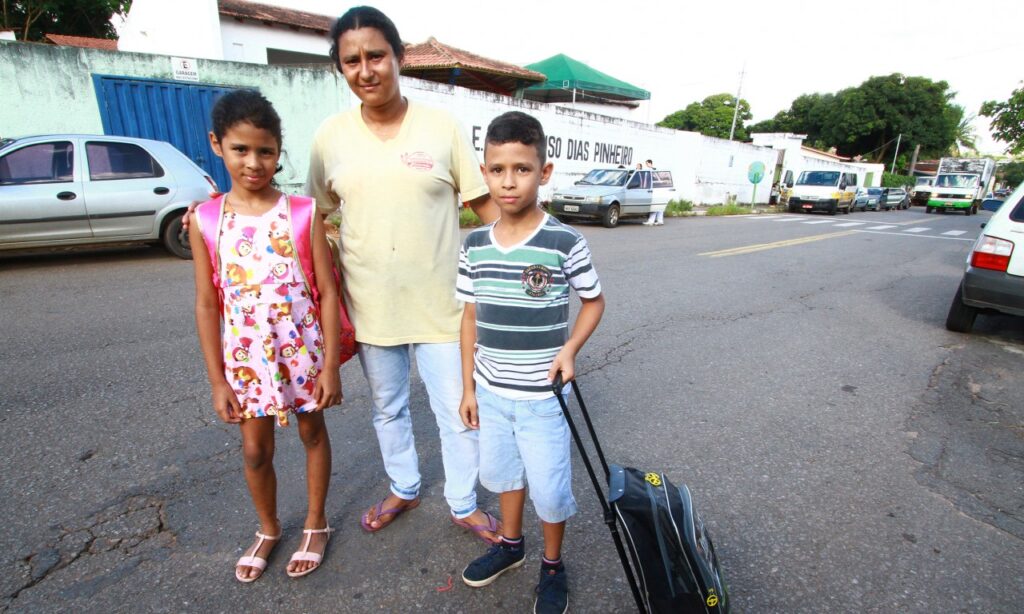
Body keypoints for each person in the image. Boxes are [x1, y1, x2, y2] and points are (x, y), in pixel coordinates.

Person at [306, 6, 503, 542]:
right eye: (351, 61)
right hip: (371, 308)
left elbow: (485, 205)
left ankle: (463, 503)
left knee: (459, 413)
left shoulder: (441, 127)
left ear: (398, 58)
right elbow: (311, 218)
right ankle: (405, 486)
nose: (365, 70)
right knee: (388, 411)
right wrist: (226, 211)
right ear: (341, 68)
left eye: (375, 56)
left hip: (444, 308)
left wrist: (532, 246)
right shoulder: (330, 137)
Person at [189, 90, 342, 582]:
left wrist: (331, 365)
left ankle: (316, 523)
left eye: (266, 151)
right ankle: (269, 527)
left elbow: (328, 293)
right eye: (240, 150)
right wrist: (218, 381)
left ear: (278, 151)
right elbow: (208, 303)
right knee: (255, 449)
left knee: (311, 431)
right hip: (246, 361)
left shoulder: (301, 212)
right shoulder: (206, 220)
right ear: (217, 144)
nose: (254, 163)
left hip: (304, 354)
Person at [456, 111, 605, 614]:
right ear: (484, 171)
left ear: (544, 172)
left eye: (522, 168)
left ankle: (553, 565)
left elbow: (593, 301)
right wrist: (469, 389)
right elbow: (470, 317)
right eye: (498, 169)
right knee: (505, 477)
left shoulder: (564, 241)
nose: (508, 180)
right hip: (492, 392)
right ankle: (512, 547)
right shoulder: (474, 245)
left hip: (543, 398)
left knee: (550, 486)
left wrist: (569, 351)